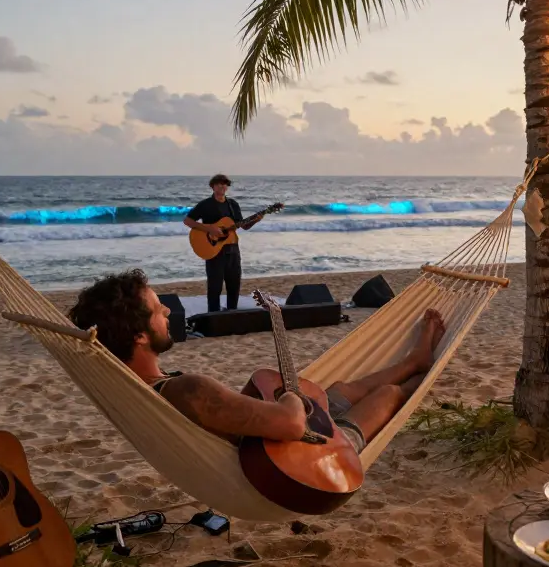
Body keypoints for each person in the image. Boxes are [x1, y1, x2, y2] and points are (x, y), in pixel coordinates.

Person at [67, 269, 446, 454]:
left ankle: (415, 358)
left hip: (267, 435)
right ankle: (418, 376)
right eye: (156, 308)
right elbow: (289, 422)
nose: (167, 308)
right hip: (307, 453)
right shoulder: (187, 389)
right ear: (137, 335)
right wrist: (291, 398)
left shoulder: (140, 387)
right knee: (387, 396)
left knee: (341, 390)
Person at [183, 174, 262, 312]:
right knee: (215, 287)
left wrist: (256, 219)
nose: (222, 186)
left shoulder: (233, 205)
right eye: (219, 184)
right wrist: (209, 228)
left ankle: (232, 314)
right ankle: (213, 316)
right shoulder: (205, 205)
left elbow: (243, 226)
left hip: (232, 249)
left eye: (225, 184)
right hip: (214, 250)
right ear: (212, 186)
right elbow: (188, 221)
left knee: (234, 285)